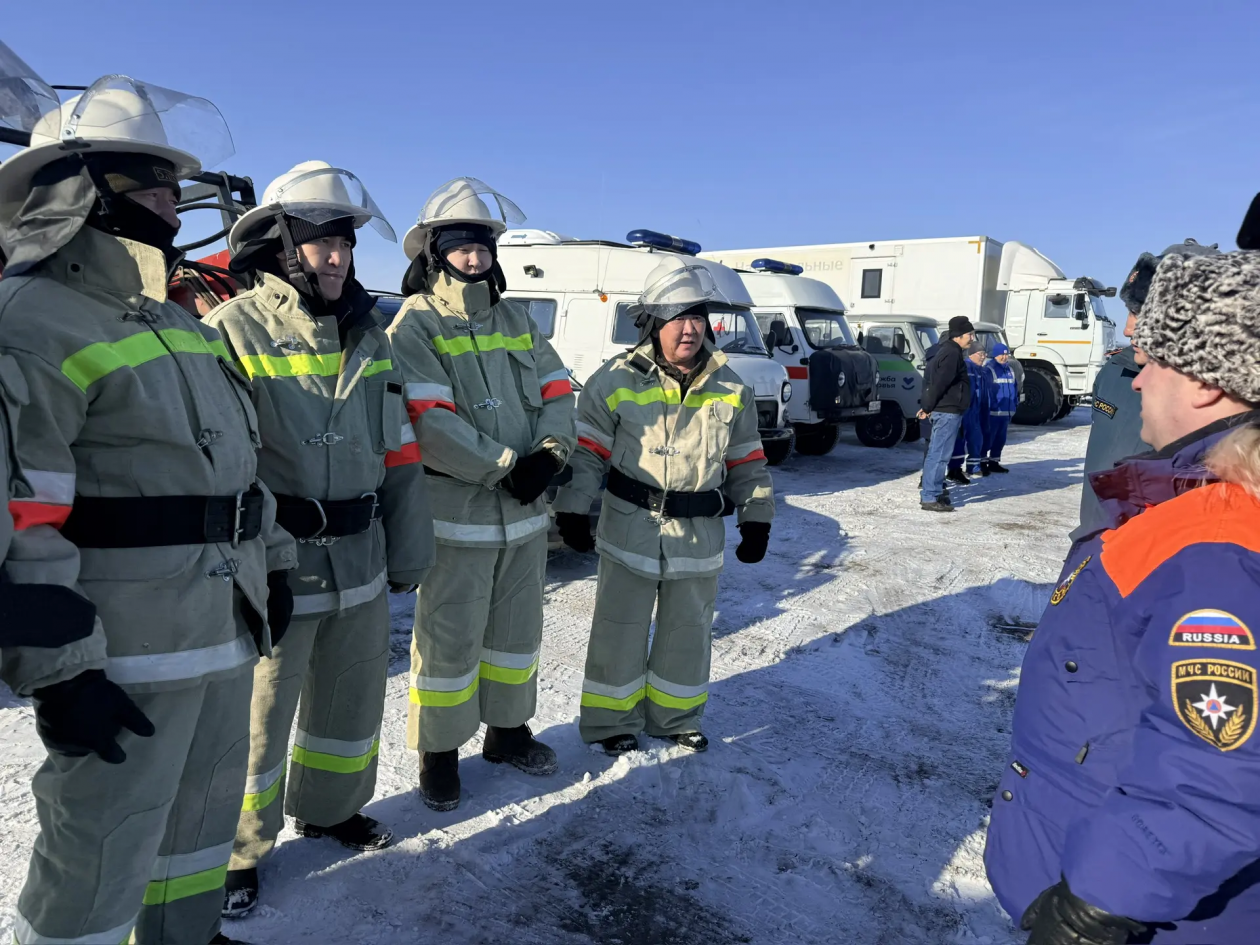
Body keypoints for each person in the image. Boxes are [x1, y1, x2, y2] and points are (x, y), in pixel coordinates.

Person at [0, 73, 296, 945]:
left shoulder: (181, 322)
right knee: (101, 838)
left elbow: (243, 467)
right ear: (89, 193)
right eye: (157, 180)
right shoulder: (32, 321)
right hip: (123, 648)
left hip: (221, 625)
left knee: (200, 816)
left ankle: (184, 936)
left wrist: (271, 563)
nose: (176, 199)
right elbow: (25, 516)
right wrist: (63, 670)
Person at [984, 249, 1260, 945]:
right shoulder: (1190, 506)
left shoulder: (1217, 541)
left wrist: (1097, 904)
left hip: (1146, 916)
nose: (1138, 380)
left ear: (1204, 381)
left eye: (1155, 361)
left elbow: (1223, 767)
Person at [204, 162, 436, 916]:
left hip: (361, 561)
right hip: (279, 564)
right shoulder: (233, 329)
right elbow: (215, 457)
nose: (336, 257)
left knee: (350, 698)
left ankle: (331, 807)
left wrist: (409, 548)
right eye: (319, 243)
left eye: (344, 243)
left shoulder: (372, 335)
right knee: (258, 718)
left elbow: (398, 448)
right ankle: (239, 850)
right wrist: (274, 520)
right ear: (282, 247)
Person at [387, 178, 576, 812]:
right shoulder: (414, 325)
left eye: (484, 246)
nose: (475, 258)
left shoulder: (516, 318)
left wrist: (551, 455)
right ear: (435, 251)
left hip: (524, 518)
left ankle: (508, 732)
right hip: (457, 517)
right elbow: (428, 420)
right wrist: (504, 467)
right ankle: (438, 754)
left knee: (516, 636)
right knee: (448, 640)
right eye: (463, 246)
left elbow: (557, 392)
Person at [552, 260, 775, 755]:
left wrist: (756, 517)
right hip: (630, 529)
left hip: (698, 536)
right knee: (619, 630)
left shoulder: (732, 387)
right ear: (654, 322)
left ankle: (675, 719)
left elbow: (748, 461)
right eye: (678, 317)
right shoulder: (614, 380)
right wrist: (572, 507)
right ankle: (612, 723)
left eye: (698, 317)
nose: (691, 328)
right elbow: (587, 452)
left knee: (687, 633)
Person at [1068, 239, 1220, 560]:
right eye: (1128, 311)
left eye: (1139, 313)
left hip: (1156, 569)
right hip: (1095, 550)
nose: (1127, 329)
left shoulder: (1224, 405)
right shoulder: (1113, 372)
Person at [917, 316, 975, 511]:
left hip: (947, 410)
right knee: (939, 454)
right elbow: (939, 383)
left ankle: (934, 491)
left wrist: (928, 406)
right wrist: (927, 407)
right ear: (958, 335)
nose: (972, 338)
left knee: (939, 453)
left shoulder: (951, 351)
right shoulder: (951, 353)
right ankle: (930, 496)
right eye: (969, 334)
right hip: (947, 411)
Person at [946, 343, 990, 483]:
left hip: (976, 410)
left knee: (976, 438)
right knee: (959, 440)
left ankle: (974, 466)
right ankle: (954, 469)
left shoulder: (980, 370)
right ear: (971, 354)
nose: (983, 357)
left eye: (984, 354)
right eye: (981, 354)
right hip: (964, 409)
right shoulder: (966, 366)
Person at [981, 343, 1018, 474]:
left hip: (1005, 412)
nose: (1004, 357)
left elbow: (1015, 388)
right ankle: (982, 462)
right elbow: (986, 391)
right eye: (1001, 354)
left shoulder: (1010, 370)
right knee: (988, 439)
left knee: (1000, 440)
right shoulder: (989, 369)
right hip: (993, 413)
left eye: (1006, 354)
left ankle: (994, 462)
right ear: (995, 355)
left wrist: (1015, 404)